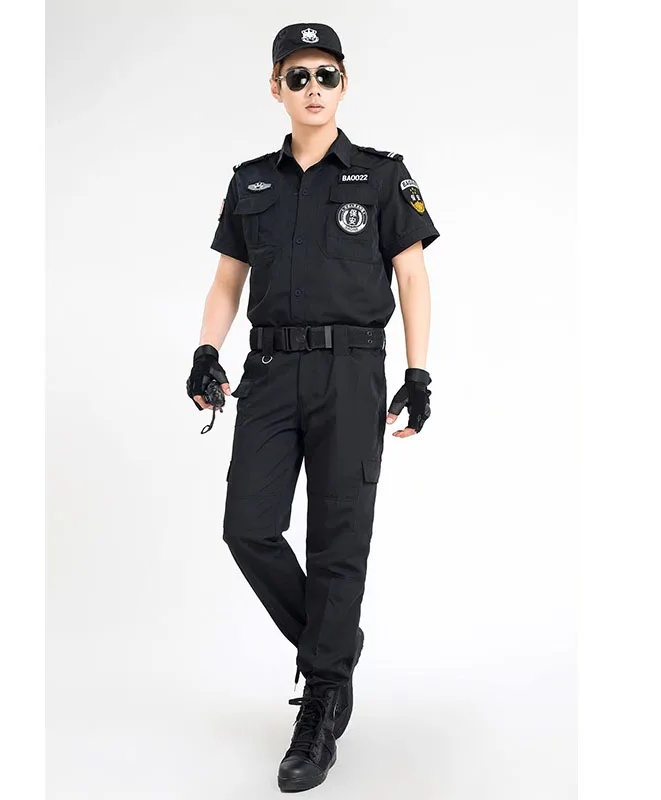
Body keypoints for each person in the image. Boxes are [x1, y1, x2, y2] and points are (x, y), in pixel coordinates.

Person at [186, 22, 440, 793]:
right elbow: (227, 282)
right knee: (247, 527)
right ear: (276, 88)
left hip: (352, 372)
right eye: (297, 76)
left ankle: (321, 706)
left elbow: (412, 276)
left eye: (325, 74)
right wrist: (206, 351)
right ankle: (335, 653)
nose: (313, 88)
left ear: (344, 83)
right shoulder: (251, 183)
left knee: (338, 541)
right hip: (268, 371)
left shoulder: (381, 176)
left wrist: (419, 372)